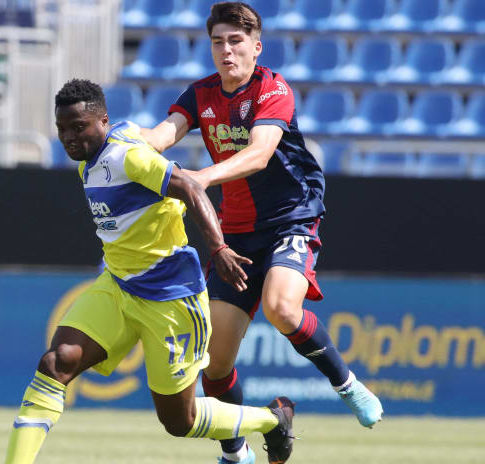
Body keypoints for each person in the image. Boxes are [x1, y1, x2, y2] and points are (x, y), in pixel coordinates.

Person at [139, 3, 384, 463]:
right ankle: (237, 451)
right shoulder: (200, 93)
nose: (226, 50)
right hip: (235, 234)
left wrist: (201, 178)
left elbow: (259, 153)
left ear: (256, 46)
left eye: (236, 41)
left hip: (291, 218)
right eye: (218, 42)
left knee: (281, 307)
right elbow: (163, 134)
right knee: (213, 364)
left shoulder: (273, 89)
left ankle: (346, 385)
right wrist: (123, 143)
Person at [4, 79, 296, 464]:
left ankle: (272, 420)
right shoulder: (87, 164)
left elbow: (191, 188)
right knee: (56, 363)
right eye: (62, 129)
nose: (70, 138)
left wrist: (220, 248)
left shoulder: (129, 158)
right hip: (119, 286)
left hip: (170, 298)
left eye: (79, 127)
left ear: (103, 121)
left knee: (180, 420)